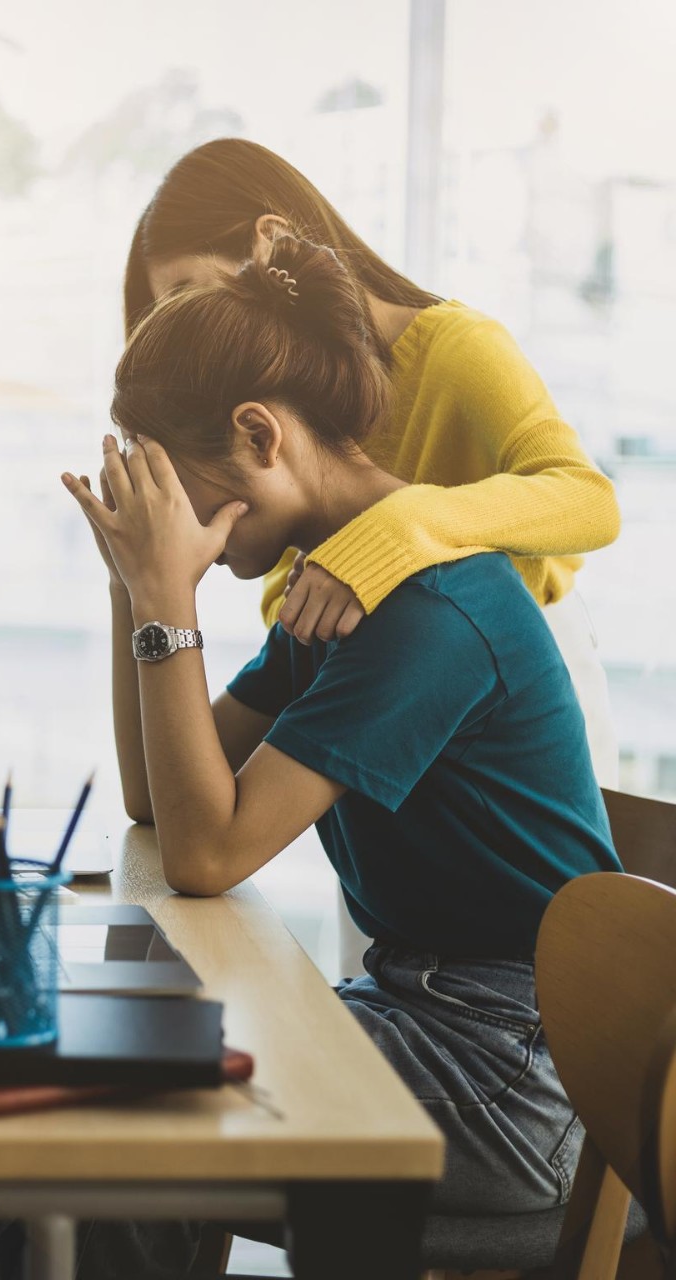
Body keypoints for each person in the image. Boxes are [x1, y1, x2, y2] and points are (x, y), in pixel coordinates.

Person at [47, 229, 623, 1277]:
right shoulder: (336, 582)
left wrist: (167, 597)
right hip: (428, 1013)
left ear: (258, 433)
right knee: (87, 1073)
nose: (191, 533)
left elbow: (206, 851)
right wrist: (136, 581)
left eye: (180, 491)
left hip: (519, 1077)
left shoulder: (422, 611)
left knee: (109, 1117)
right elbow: (159, 793)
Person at [122, 138, 620, 789]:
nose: (188, 332)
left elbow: (589, 500)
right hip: (379, 681)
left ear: (269, 242)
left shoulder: (456, 350)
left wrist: (396, 528)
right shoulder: (285, 421)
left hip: (510, 697)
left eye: (189, 294)